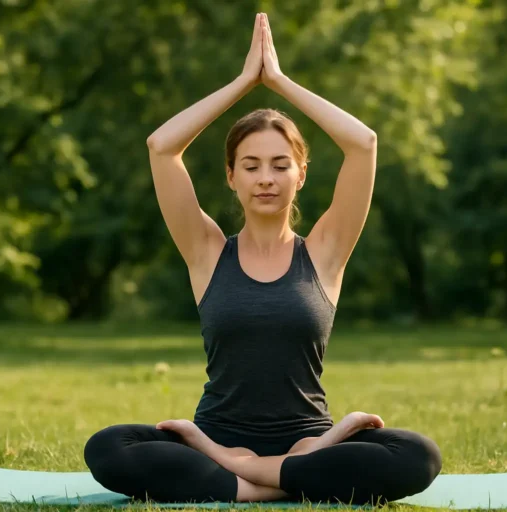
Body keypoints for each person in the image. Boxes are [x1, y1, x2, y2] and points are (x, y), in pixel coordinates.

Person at [84, 12, 441, 506]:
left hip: (306, 442)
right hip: (219, 437)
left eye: (280, 165)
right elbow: (161, 147)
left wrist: (278, 81)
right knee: (108, 448)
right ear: (231, 176)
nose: (266, 178)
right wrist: (243, 83)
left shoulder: (324, 253)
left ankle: (246, 481)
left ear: (301, 174)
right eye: (251, 166)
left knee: (418, 455)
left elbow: (364, 145)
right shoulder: (208, 252)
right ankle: (282, 481)